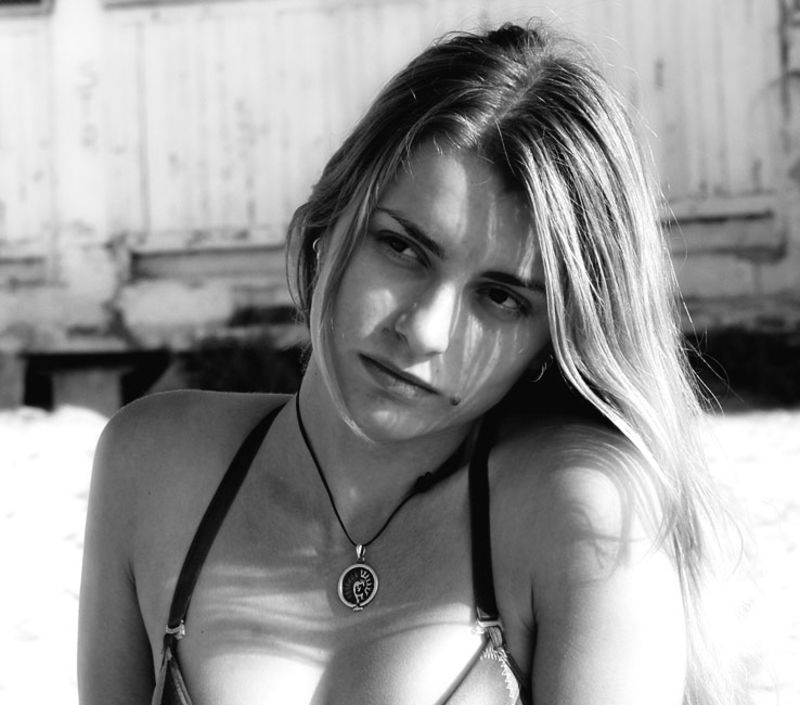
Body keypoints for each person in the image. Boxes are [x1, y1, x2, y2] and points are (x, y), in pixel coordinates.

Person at [78, 21, 740, 705]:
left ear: (553, 337)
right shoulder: (152, 466)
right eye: (402, 248)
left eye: (501, 298)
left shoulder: (583, 514)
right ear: (331, 217)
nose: (423, 330)